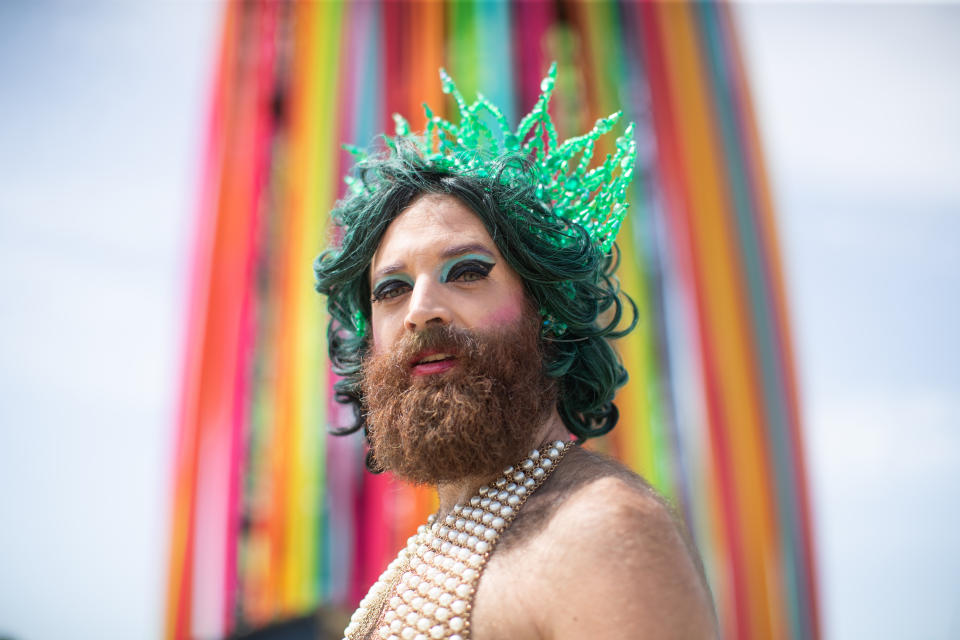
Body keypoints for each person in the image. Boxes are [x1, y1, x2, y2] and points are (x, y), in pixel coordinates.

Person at [315, 65, 717, 640]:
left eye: (469, 272)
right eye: (391, 288)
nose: (420, 309)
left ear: (547, 310)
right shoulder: (426, 556)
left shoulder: (599, 528)